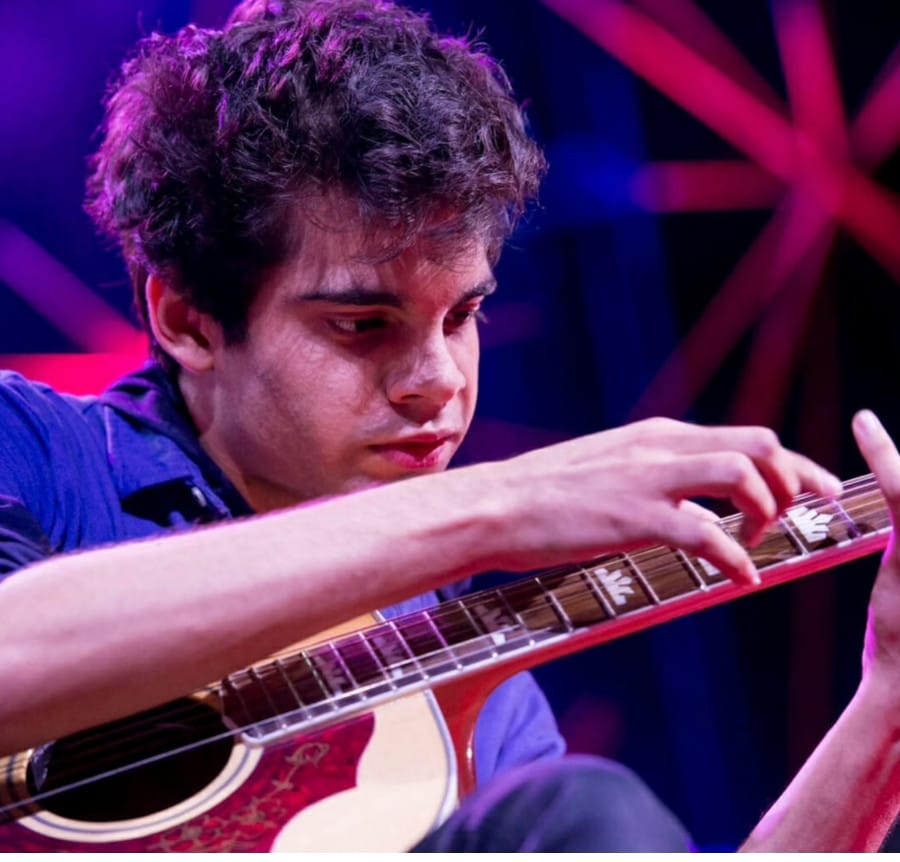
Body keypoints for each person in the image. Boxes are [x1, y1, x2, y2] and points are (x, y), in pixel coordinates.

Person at [1, 0, 899, 851]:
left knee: (578, 817)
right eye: (362, 325)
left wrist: (885, 716)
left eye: (463, 316)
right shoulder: (34, 446)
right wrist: (497, 507)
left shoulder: (455, 667)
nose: (440, 382)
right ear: (188, 320)